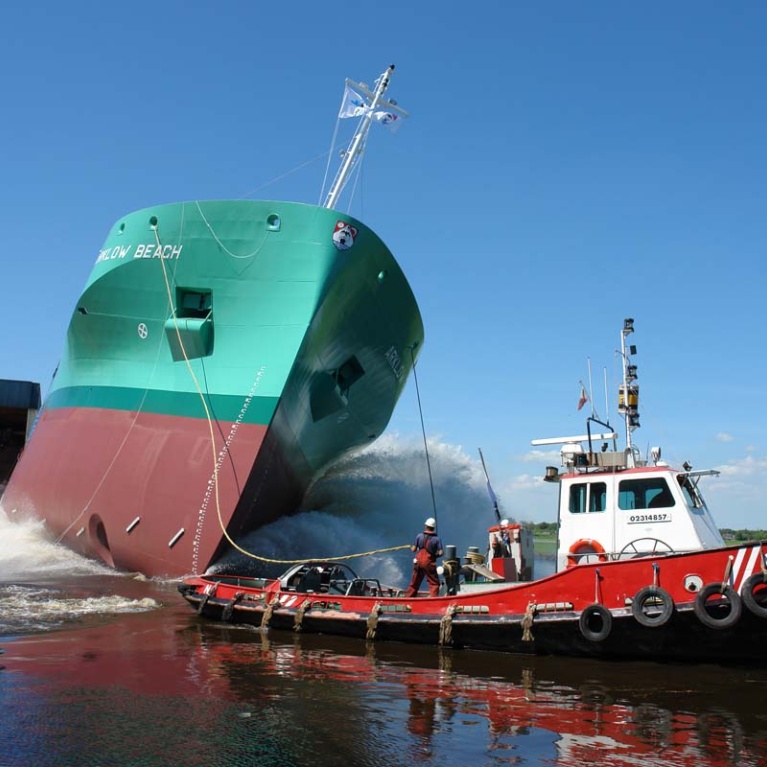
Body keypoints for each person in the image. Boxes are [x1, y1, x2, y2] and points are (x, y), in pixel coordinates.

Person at [404, 517, 444, 597]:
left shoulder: (419, 536)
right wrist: (435, 556)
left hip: (418, 562)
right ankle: (433, 602)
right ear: (433, 528)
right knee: (434, 583)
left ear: (426, 526)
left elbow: (414, 549)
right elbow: (441, 553)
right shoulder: (437, 539)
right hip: (429, 562)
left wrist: (410, 547)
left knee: (414, 582)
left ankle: (407, 600)